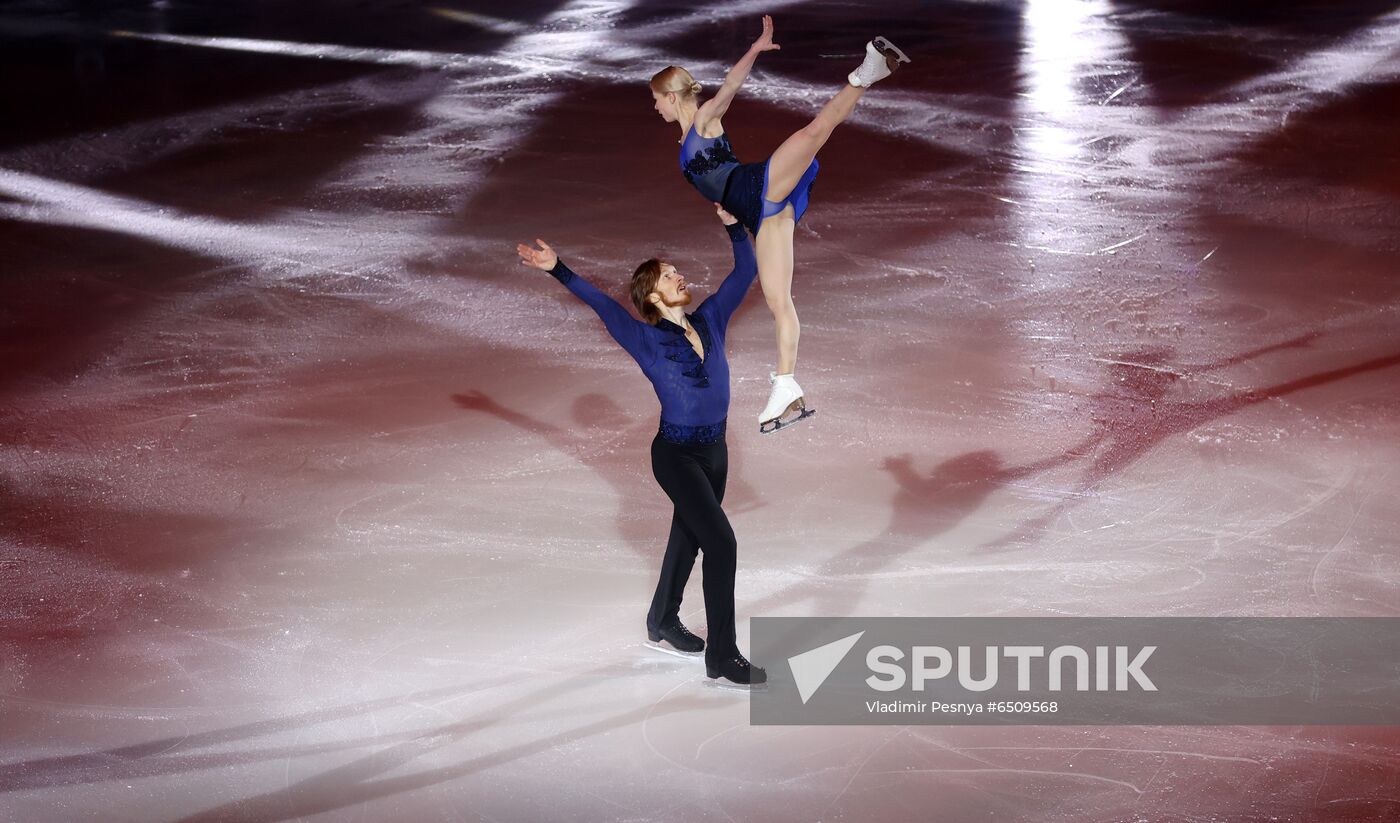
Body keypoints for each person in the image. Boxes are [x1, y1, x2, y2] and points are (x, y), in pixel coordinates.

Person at [515, 205, 767, 686]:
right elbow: (604, 305)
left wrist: (735, 227)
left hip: (716, 451)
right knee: (721, 543)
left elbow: (746, 271)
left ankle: (662, 618)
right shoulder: (646, 339)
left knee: (690, 536)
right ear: (652, 294)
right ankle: (723, 654)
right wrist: (559, 270)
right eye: (669, 275)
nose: (679, 277)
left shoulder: (711, 318)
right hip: (675, 455)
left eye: (676, 271)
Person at [650, 15, 909, 432]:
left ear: (671, 96)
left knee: (815, 132)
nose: (656, 107)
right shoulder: (685, 140)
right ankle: (786, 385)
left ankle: (866, 72)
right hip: (760, 214)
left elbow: (731, 86)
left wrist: (753, 49)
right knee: (778, 301)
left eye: (657, 100)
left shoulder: (702, 121)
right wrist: (728, 214)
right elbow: (714, 184)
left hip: (760, 186)